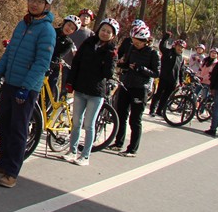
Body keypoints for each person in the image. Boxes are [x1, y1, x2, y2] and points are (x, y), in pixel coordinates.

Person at [0, 0, 56, 188]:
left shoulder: (47, 30)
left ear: (47, 6)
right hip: (10, 82)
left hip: (26, 88)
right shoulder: (22, 24)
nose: (34, 4)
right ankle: (2, 162)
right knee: (3, 124)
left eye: (40, 1)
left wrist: (27, 86)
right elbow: (10, 51)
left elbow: (42, 63)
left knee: (18, 128)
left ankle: (12, 172)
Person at [63, 17, 119, 166]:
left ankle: (85, 156)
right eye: (103, 30)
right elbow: (76, 63)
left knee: (89, 124)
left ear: (113, 35)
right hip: (81, 88)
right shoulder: (88, 43)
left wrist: (109, 56)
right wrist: (71, 82)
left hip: (96, 92)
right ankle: (72, 151)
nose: (105, 33)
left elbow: (108, 73)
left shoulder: (111, 51)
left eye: (109, 32)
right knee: (76, 122)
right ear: (98, 30)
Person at [108, 23, 159, 157]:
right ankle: (118, 143)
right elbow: (126, 63)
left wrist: (141, 69)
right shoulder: (131, 48)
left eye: (138, 43)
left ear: (145, 41)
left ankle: (132, 149)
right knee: (121, 115)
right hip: (127, 84)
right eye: (134, 42)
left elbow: (156, 72)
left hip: (141, 88)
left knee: (135, 119)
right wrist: (121, 65)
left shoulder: (153, 53)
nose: (135, 44)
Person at [151, 33, 186, 116]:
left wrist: (181, 81)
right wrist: (165, 38)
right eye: (179, 46)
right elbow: (161, 46)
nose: (180, 48)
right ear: (175, 46)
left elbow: (181, 70)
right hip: (164, 77)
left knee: (166, 97)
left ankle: (159, 111)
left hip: (173, 81)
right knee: (158, 94)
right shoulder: (168, 52)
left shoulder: (181, 58)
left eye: (182, 47)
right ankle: (152, 109)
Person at [48, 15, 78, 99]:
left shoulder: (69, 43)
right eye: (68, 25)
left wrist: (54, 62)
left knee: (49, 91)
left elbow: (60, 55)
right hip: (42, 60)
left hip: (53, 66)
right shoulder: (51, 31)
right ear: (64, 23)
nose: (69, 28)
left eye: (72, 28)